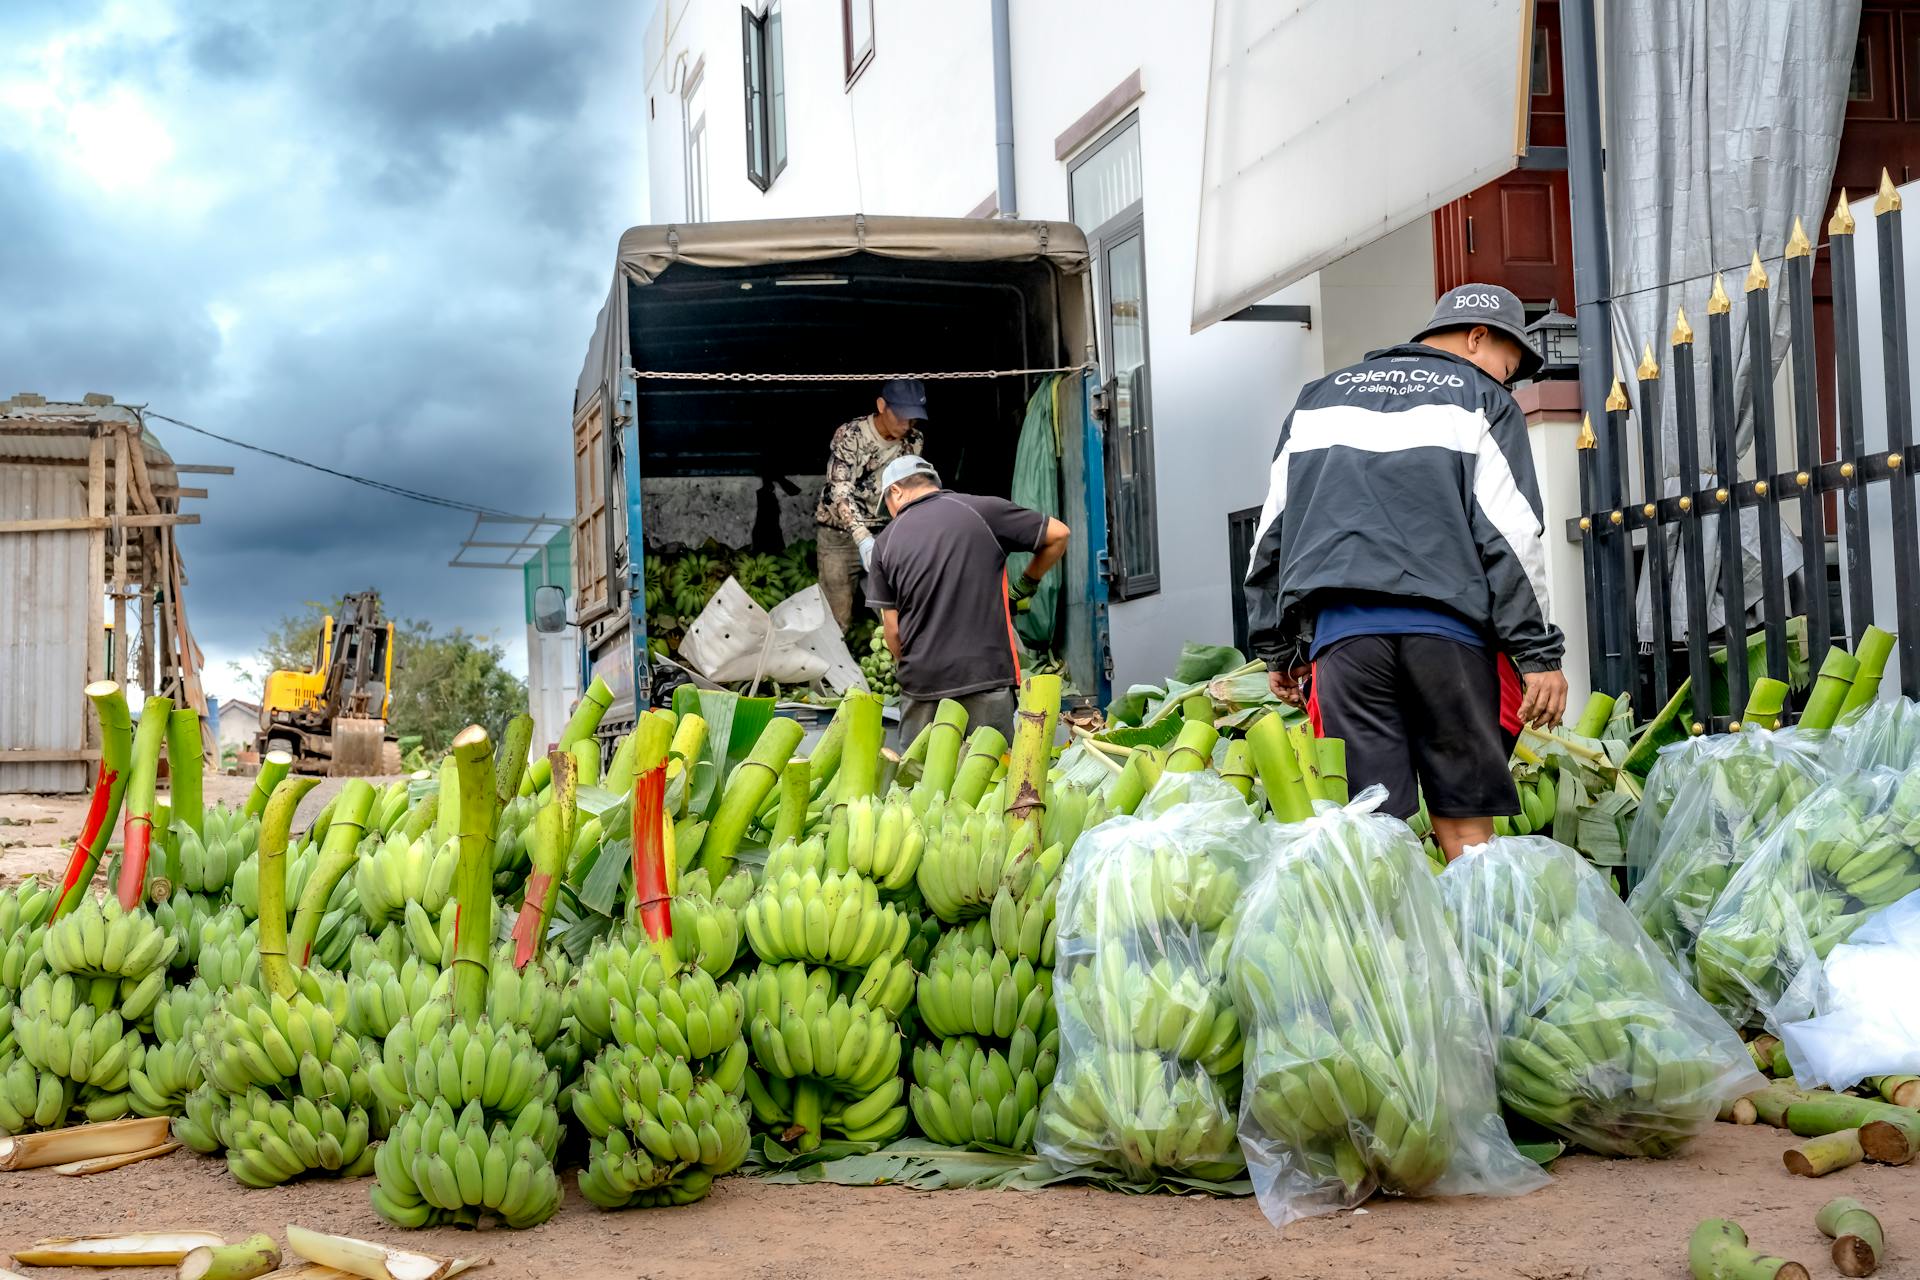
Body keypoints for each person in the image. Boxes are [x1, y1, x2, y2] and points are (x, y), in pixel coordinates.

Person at [1244, 283, 1569, 860]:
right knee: (1468, 829)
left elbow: (1270, 532)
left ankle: (1389, 950)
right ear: (1477, 338)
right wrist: (1538, 654)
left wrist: (1277, 649)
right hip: (1449, 641)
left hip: (1345, 641)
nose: (1507, 381)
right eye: (1508, 366)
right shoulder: (1481, 399)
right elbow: (1515, 538)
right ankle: (1479, 948)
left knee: (1374, 831)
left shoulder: (1318, 398)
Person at [864, 455, 1070, 744]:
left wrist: (915, 665)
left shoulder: (885, 542)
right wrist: (1025, 585)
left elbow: (893, 629)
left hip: (922, 685)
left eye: (887, 503)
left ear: (895, 491)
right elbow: (1059, 535)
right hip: (984, 676)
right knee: (991, 778)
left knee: (919, 782)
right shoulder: (983, 511)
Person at [814, 379, 929, 632]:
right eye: (901, 416)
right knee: (837, 618)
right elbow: (840, 489)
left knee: (898, 614)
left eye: (913, 418)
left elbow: (910, 491)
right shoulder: (852, 435)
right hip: (840, 534)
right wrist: (863, 538)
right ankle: (832, 670)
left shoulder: (914, 441)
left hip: (886, 533)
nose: (907, 424)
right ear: (881, 406)